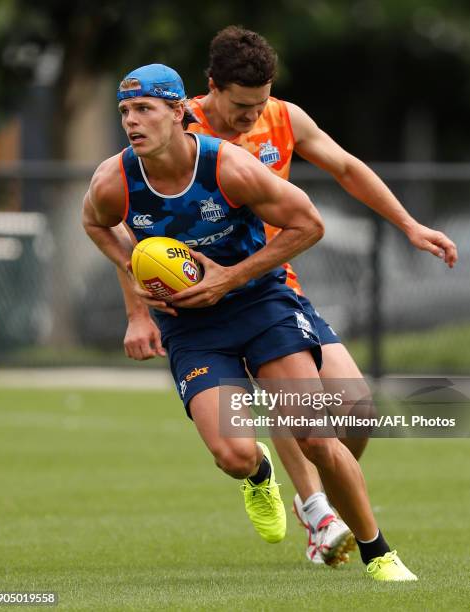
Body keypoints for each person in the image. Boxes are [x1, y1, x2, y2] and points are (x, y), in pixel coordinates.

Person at [119, 27, 458, 566]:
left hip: (272, 281)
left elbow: (345, 168)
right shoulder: (171, 128)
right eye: (239, 107)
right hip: (204, 301)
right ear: (208, 92)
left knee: (355, 411)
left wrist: (410, 225)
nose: (252, 117)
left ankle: (324, 502)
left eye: (260, 103)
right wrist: (138, 309)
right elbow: (126, 226)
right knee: (293, 407)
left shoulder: (283, 117)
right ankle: (319, 514)